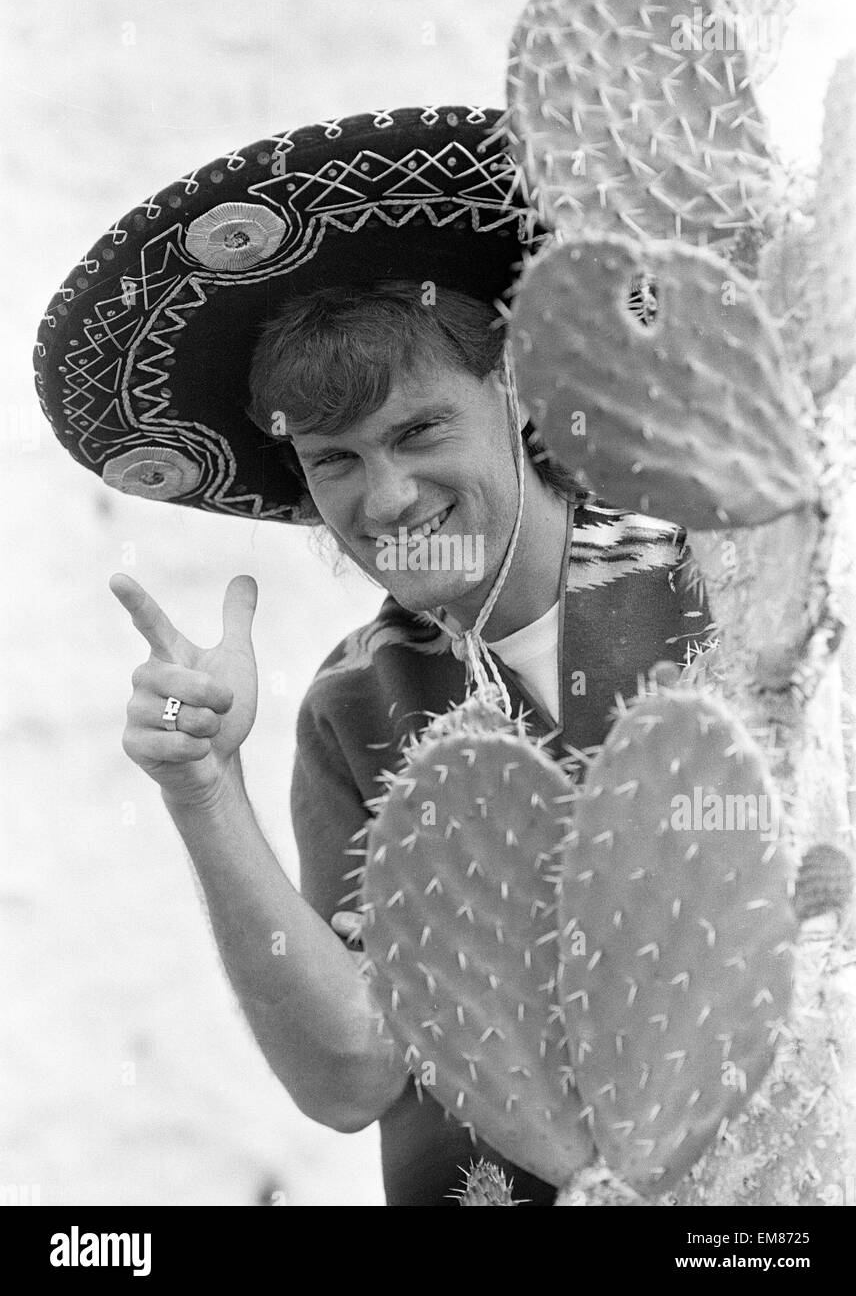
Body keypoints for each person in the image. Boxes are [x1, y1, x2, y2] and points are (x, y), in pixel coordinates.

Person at [34, 107, 711, 1205]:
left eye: (417, 431)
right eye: (334, 459)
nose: (386, 498)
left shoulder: (717, 581)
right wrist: (203, 787)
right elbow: (351, 1075)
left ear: (517, 389)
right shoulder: (356, 704)